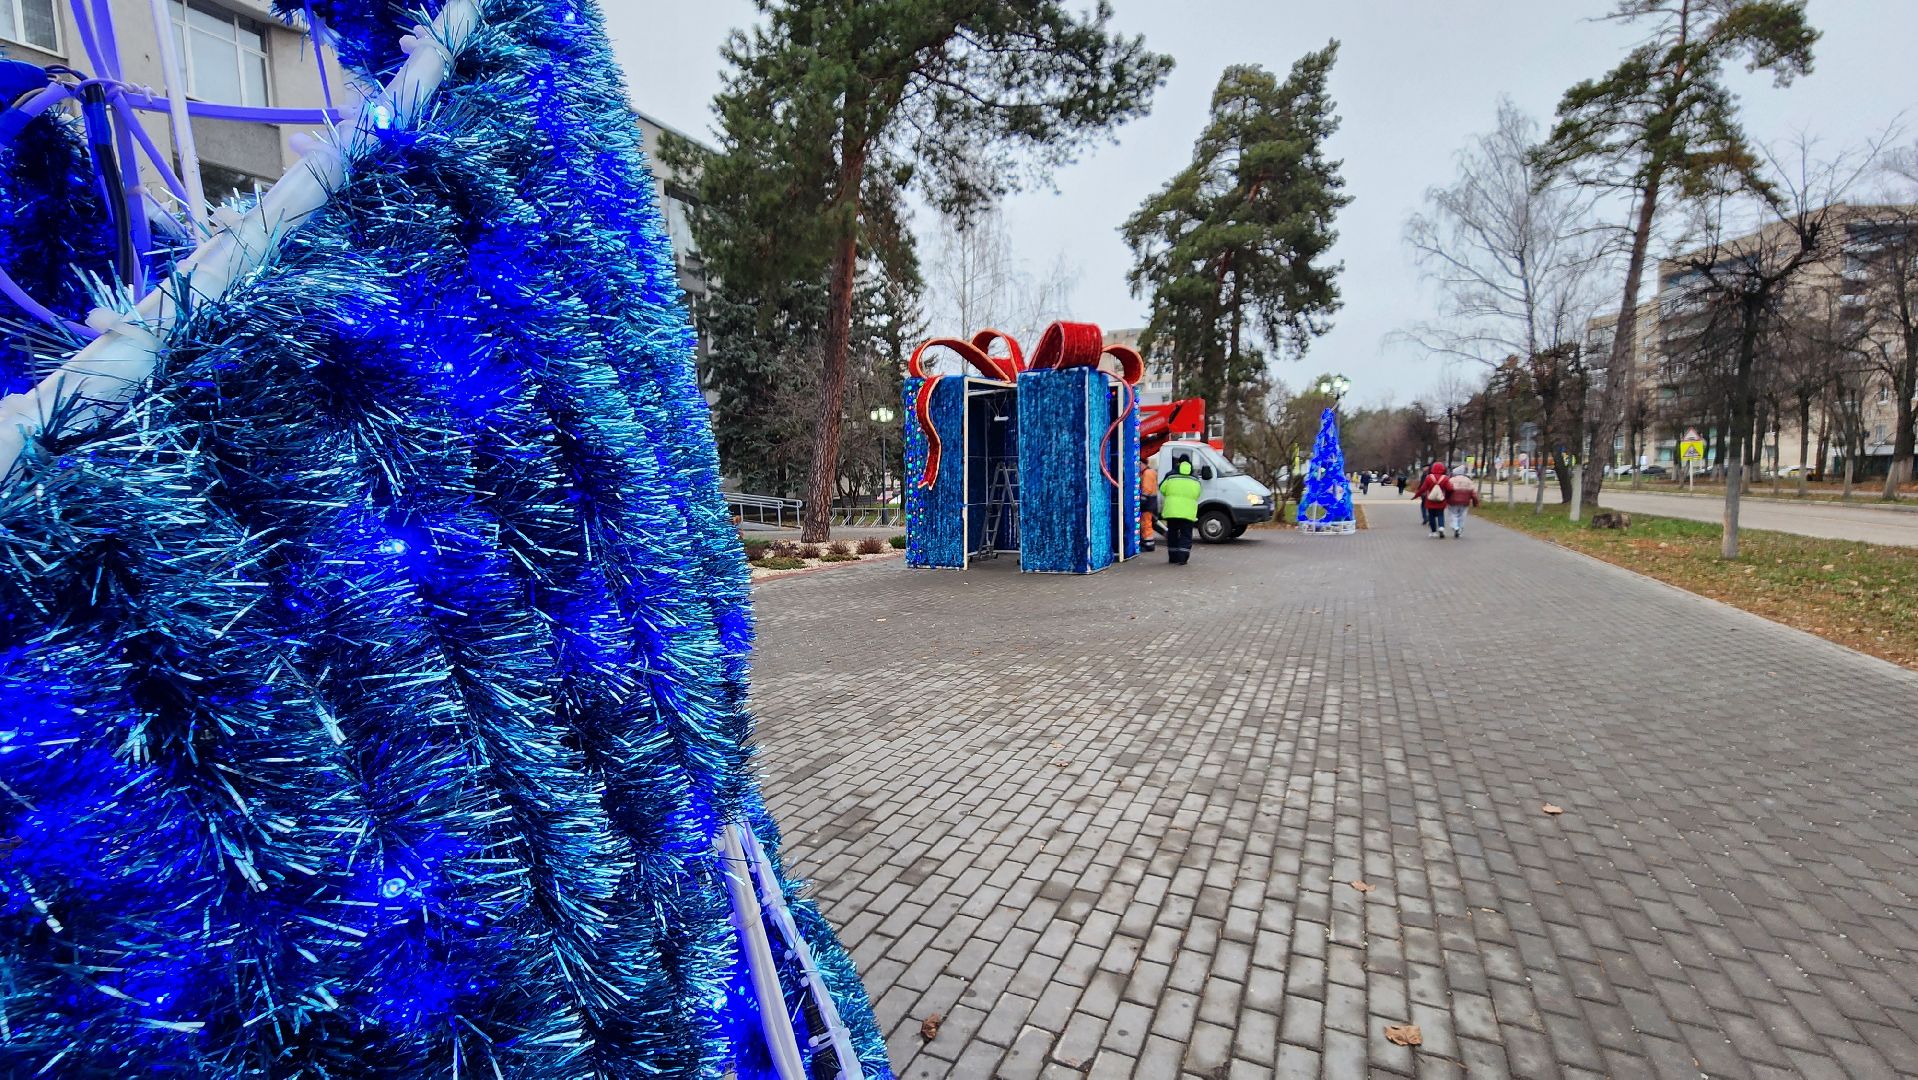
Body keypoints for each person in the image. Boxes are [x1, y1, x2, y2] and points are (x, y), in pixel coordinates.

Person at [1159, 455, 1202, 565]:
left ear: (1179, 463)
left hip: (1172, 510)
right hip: (1188, 512)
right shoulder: (1195, 478)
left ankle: (1173, 557)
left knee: (1172, 533)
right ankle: (1182, 558)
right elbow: (1198, 493)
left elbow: (1162, 489)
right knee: (1186, 534)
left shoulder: (1170, 476)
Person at [1413, 461, 1451, 538]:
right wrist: (1447, 497)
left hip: (1430, 500)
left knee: (1431, 516)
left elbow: (1422, 489)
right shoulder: (1445, 478)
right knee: (1441, 514)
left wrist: (1416, 496)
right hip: (1441, 500)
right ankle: (1441, 527)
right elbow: (1450, 489)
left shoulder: (1429, 477)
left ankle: (1433, 532)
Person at [1445, 468, 1480, 538]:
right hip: (1465, 502)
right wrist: (1475, 502)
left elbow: (1447, 490)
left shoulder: (1451, 480)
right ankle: (1460, 529)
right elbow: (1473, 493)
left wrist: (1446, 499)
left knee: (1453, 514)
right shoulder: (1468, 481)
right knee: (1462, 516)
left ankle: (1455, 527)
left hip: (1452, 501)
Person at [1139, 458, 1160, 552]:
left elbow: (1146, 488)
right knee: (1147, 522)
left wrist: (1142, 498)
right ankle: (1147, 542)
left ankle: (1148, 543)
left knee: (1146, 523)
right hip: (1151, 502)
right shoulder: (1150, 472)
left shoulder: (1147, 473)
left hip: (1148, 502)